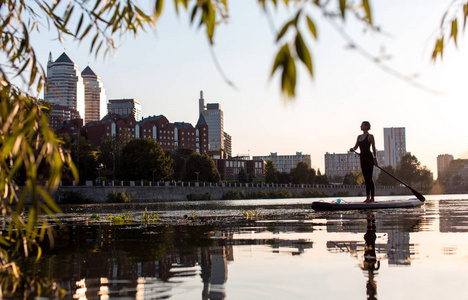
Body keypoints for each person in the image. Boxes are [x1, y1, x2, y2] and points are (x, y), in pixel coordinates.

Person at [350, 121, 378, 203]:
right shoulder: (359, 137)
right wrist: (353, 149)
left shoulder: (370, 136)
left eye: (362, 125)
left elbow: (373, 148)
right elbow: (356, 147)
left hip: (369, 158)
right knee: (365, 178)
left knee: (369, 178)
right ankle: (367, 197)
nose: (360, 126)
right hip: (362, 158)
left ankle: (372, 198)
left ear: (366, 126)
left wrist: (375, 158)